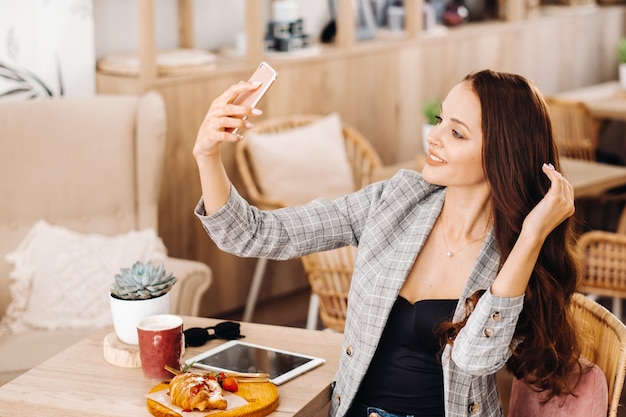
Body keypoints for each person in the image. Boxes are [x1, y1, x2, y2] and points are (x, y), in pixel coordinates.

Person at [192, 69, 583, 417]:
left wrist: (531, 237)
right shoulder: (396, 202)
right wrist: (207, 155)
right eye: (439, 120)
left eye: (456, 132)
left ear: (501, 154)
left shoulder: (516, 251)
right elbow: (256, 234)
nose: (434, 136)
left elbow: (475, 359)